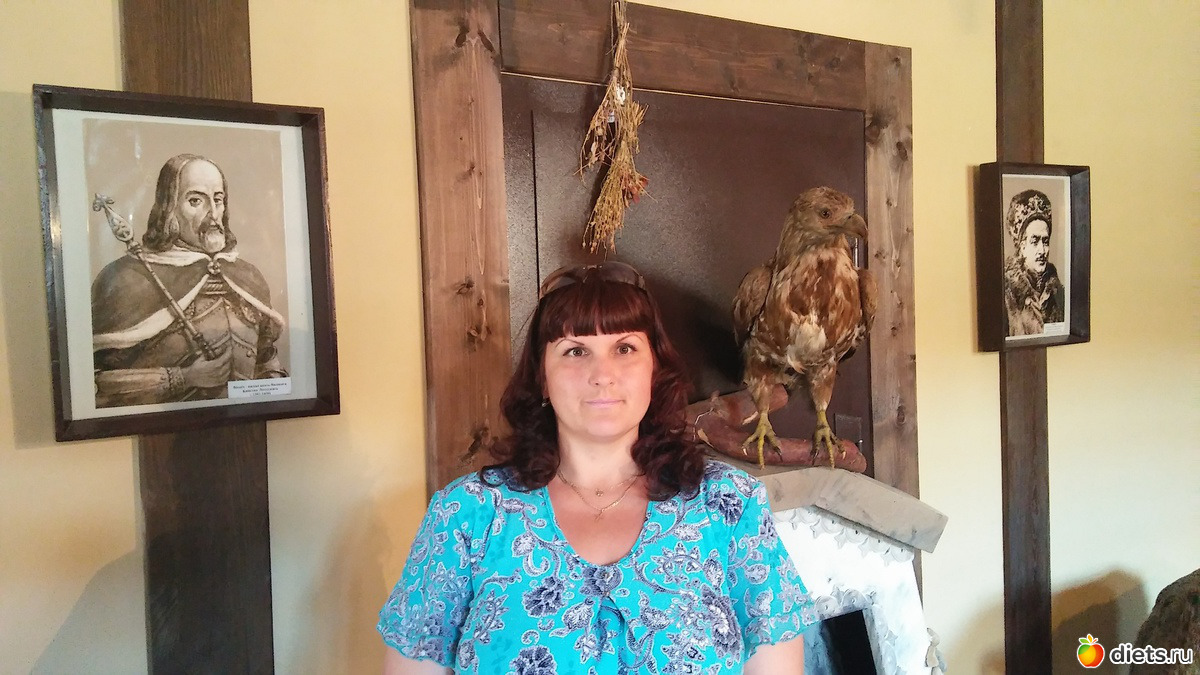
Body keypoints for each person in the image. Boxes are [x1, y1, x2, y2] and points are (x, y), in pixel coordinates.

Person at [378, 262, 817, 674]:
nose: (602, 374)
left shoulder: (729, 504)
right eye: (575, 351)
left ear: (654, 369)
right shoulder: (466, 515)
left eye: (624, 348)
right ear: (542, 378)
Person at [90, 153, 287, 407]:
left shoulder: (247, 277)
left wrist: (277, 390)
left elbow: (266, 360)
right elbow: (99, 384)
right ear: (168, 209)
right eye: (195, 201)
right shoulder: (127, 280)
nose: (213, 214)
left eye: (218, 200)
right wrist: (183, 378)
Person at [1003, 189, 1065, 336]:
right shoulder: (1006, 295)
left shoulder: (1058, 293)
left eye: (1045, 241)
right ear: (1021, 246)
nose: (1042, 250)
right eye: (1034, 241)